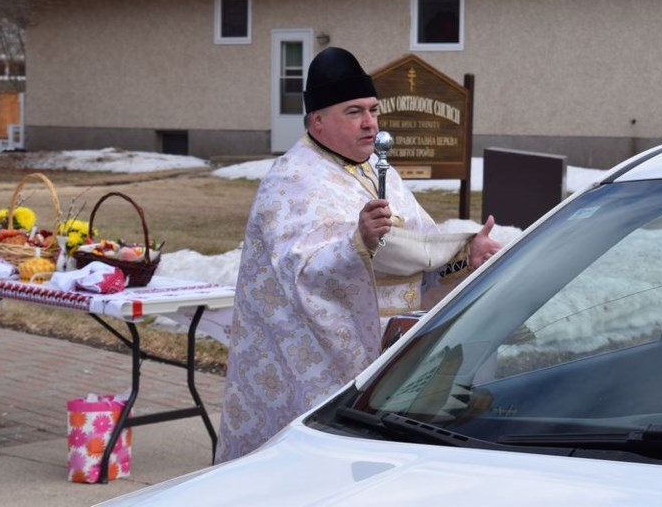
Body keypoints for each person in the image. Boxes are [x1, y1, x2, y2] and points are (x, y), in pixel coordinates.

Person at [215, 46, 503, 463]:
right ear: (318, 120)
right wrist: (357, 245)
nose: (371, 124)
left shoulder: (374, 169)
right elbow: (301, 273)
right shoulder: (290, 180)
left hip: (388, 358)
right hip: (310, 362)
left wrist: (464, 254)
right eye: (354, 112)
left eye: (373, 110)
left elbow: (420, 249)